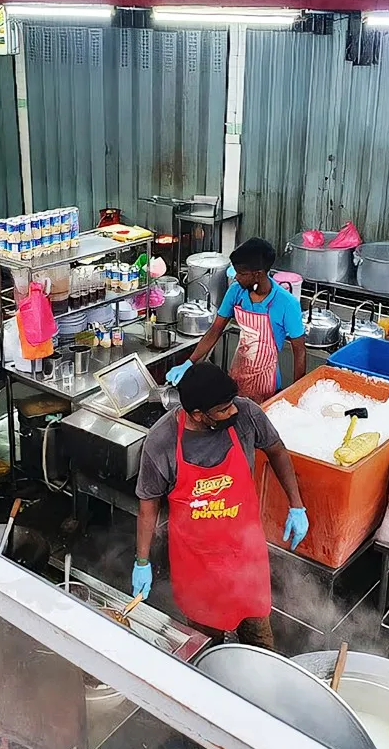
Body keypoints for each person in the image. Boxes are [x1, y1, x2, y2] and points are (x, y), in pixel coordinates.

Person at [132, 362, 308, 650]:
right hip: (196, 563)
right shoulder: (161, 442)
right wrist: (142, 562)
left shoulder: (246, 414)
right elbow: (148, 506)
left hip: (245, 556)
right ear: (198, 415)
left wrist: (296, 505)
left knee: (259, 640)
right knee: (205, 644)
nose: (233, 411)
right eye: (223, 409)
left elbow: (277, 450)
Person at [166, 238, 306, 403]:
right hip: (238, 373)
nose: (237, 277)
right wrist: (189, 362)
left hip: (267, 383)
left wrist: (297, 393)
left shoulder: (287, 303)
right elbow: (215, 331)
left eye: (242, 273)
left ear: (258, 274)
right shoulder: (236, 292)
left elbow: (300, 352)